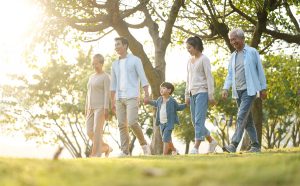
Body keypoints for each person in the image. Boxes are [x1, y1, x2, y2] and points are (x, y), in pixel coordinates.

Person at [222, 28, 267, 153]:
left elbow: (260, 70)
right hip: (238, 91)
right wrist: (226, 88)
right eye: (230, 40)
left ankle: (233, 144)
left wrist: (263, 88)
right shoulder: (233, 56)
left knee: (241, 116)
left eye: (234, 39)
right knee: (247, 120)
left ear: (241, 38)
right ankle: (256, 145)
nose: (232, 42)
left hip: (249, 90)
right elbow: (230, 74)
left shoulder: (252, 52)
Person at [110, 37, 151, 156]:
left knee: (132, 122)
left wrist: (146, 94)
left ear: (125, 45)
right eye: (115, 45)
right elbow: (113, 84)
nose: (116, 47)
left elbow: (143, 77)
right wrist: (112, 101)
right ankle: (125, 151)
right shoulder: (114, 64)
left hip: (132, 96)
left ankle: (144, 144)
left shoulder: (135, 60)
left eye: (118, 44)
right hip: (119, 98)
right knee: (121, 125)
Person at [185, 36, 218, 154]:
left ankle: (196, 147)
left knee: (199, 120)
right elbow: (188, 79)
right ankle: (212, 141)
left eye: (189, 47)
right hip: (192, 92)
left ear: (196, 46)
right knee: (195, 122)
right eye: (187, 48)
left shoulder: (204, 59)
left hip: (202, 92)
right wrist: (186, 95)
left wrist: (211, 95)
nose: (188, 50)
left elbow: (210, 77)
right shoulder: (189, 61)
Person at [146, 82, 186, 155]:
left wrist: (186, 104)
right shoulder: (159, 99)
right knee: (167, 139)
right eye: (161, 88)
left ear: (169, 90)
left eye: (163, 88)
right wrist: (148, 101)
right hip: (162, 123)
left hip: (169, 123)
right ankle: (174, 150)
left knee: (165, 139)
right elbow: (155, 103)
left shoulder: (172, 101)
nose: (161, 90)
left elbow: (178, 107)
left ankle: (164, 155)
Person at [86, 54, 113, 157]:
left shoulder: (106, 77)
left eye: (96, 63)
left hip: (100, 107)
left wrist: (106, 108)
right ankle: (106, 148)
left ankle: (96, 154)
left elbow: (107, 93)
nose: (94, 65)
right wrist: (86, 108)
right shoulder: (91, 77)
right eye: (93, 63)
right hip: (90, 108)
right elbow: (88, 93)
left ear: (101, 63)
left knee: (97, 131)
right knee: (89, 132)